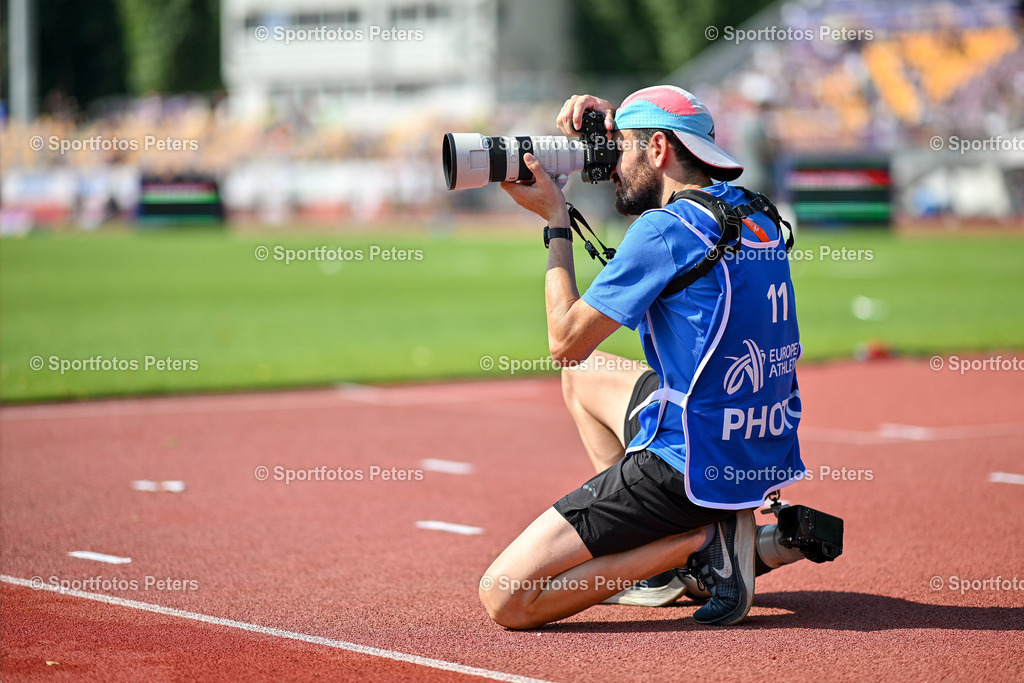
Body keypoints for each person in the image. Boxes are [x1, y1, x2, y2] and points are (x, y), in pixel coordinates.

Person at [478, 85, 805, 629]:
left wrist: (555, 221)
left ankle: (701, 542)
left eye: (623, 147)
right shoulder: (755, 212)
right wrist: (620, 124)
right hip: (753, 446)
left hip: (690, 461)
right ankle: (681, 548)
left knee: (506, 597)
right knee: (586, 380)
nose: (611, 163)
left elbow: (565, 343)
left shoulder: (663, 232)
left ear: (657, 150)